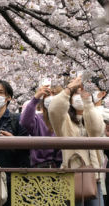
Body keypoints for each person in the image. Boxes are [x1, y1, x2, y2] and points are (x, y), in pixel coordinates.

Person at [49, 77, 105, 206]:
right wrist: (69, 89)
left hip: (94, 177)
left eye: (82, 91)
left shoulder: (94, 113)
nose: (79, 94)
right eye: (76, 92)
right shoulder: (64, 120)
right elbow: (53, 110)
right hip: (71, 176)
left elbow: (96, 129)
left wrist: (87, 101)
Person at [0, 79, 29, 206]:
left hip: (13, 177)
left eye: (0, 92)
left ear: (8, 98)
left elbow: (27, 149)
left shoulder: (18, 119)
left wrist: (14, 141)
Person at [20, 85, 63, 168]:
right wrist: (36, 98)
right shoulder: (38, 118)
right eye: (47, 95)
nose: (51, 98)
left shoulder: (66, 120)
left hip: (63, 167)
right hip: (41, 168)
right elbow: (25, 121)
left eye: (54, 94)